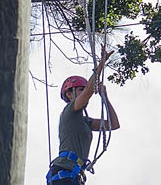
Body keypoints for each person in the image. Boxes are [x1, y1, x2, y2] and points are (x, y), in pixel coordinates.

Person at [46, 48, 120, 184]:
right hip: (64, 172)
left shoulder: (85, 121)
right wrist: (101, 63)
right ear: (69, 94)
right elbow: (89, 91)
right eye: (80, 89)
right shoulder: (69, 111)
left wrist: (105, 97)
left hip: (74, 175)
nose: (84, 92)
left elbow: (113, 125)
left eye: (83, 89)